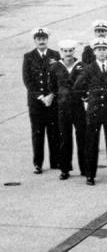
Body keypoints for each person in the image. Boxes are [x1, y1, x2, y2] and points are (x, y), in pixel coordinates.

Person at [77, 38, 107, 185]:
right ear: (94, 52)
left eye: (104, 50)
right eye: (99, 50)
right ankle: (90, 175)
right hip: (95, 110)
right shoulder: (89, 68)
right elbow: (78, 86)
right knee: (91, 143)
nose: (102, 52)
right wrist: (86, 99)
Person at [22, 28, 60, 174]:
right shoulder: (28, 56)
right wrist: (40, 96)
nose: (41, 41)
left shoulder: (55, 55)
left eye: (44, 38)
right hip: (36, 102)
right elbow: (28, 80)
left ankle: (55, 161)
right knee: (37, 133)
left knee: (54, 131)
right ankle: (38, 163)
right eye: (38, 38)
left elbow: (58, 77)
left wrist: (51, 95)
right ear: (34, 40)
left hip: (52, 100)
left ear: (47, 39)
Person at [50, 40, 85, 181]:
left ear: (74, 51)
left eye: (71, 51)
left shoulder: (82, 66)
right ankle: (65, 169)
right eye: (65, 51)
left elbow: (87, 84)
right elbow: (52, 86)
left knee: (82, 138)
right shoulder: (55, 67)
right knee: (64, 139)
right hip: (63, 108)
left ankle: (85, 168)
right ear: (61, 52)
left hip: (78, 107)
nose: (68, 54)